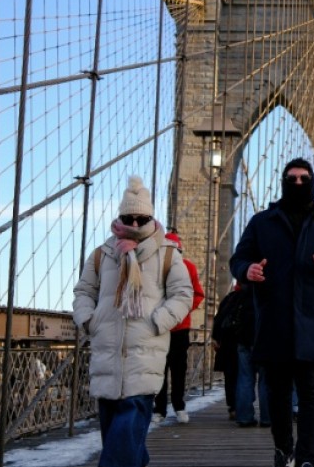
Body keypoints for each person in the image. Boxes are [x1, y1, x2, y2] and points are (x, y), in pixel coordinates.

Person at [230, 157, 314, 467]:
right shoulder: (262, 222)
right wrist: (248, 272)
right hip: (275, 323)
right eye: (292, 178)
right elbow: (238, 260)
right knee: (278, 396)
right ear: (283, 180)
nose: (298, 183)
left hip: (313, 325)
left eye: (304, 178)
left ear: (312, 182)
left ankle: (306, 459)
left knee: (312, 394)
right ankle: (283, 449)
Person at [73, 175, 194, 467]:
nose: (136, 225)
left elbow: (183, 294)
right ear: (120, 217)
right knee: (124, 444)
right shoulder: (102, 255)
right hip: (107, 364)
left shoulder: (167, 254)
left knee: (117, 454)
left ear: (151, 217)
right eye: (129, 218)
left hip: (144, 364)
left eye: (142, 218)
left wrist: (157, 322)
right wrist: (89, 321)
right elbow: (84, 291)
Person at [153, 231, 205, 425]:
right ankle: (160, 409)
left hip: (179, 327)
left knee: (178, 369)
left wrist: (181, 310)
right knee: (159, 369)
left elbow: (198, 294)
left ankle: (178, 406)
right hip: (159, 326)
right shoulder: (155, 267)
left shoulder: (188, 267)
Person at [234, 282, 271, 427]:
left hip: (244, 338)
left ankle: (244, 416)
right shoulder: (267, 292)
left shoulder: (242, 294)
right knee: (266, 379)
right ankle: (267, 417)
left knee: (244, 378)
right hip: (264, 338)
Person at [212, 283, 244, 421]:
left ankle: (233, 407)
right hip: (245, 341)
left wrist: (216, 338)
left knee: (231, 377)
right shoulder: (253, 297)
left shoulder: (229, 298)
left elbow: (218, 319)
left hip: (228, 343)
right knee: (246, 376)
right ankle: (245, 409)